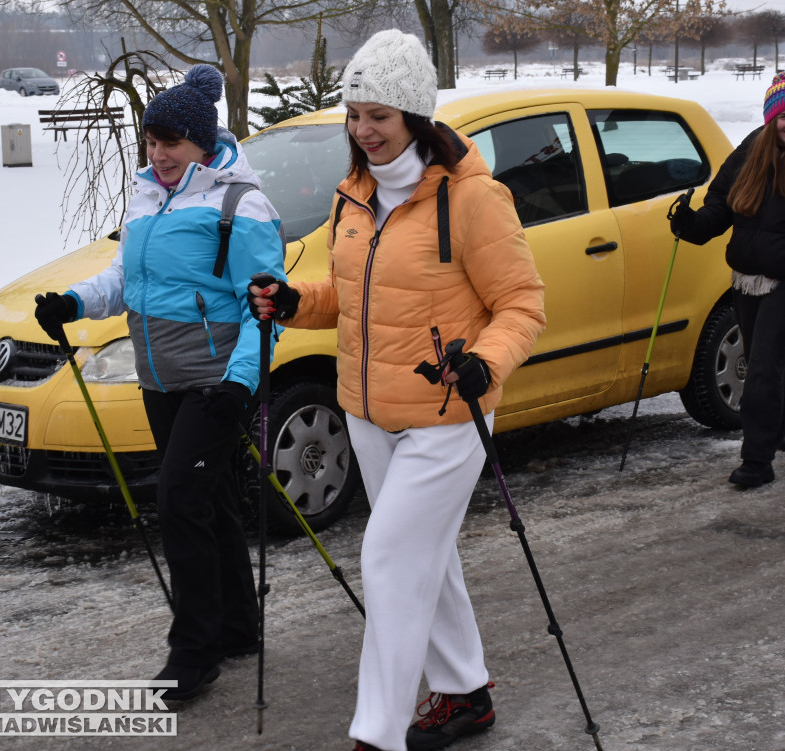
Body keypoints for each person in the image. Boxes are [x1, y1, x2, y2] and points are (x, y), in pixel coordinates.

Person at [249, 30, 545, 751]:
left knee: (387, 560)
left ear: (413, 113)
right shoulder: (353, 196)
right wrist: (294, 302)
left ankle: (376, 735)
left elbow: (522, 305)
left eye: (377, 115)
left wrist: (485, 362)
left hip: (447, 416)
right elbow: (348, 295)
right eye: (354, 115)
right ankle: (465, 690)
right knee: (423, 558)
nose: (362, 130)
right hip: (368, 412)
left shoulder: (472, 198)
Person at [34, 65, 287, 700]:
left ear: (203, 142)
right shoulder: (148, 196)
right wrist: (72, 302)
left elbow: (265, 309)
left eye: (172, 142)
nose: (159, 154)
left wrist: (241, 382)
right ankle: (238, 626)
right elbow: (125, 278)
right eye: (151, 141)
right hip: (160, 377)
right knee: (211, 498)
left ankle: (194, 653)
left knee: (177, 500)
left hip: (216, 381)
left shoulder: (241, 204)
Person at [668, 71, 785, 489]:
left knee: (761, 368)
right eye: (784, 116)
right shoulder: (747, 154)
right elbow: (721, 204)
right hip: (746, 276)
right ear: (770, 119)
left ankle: (757, 460)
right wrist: (692, 224)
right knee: (772, 361)